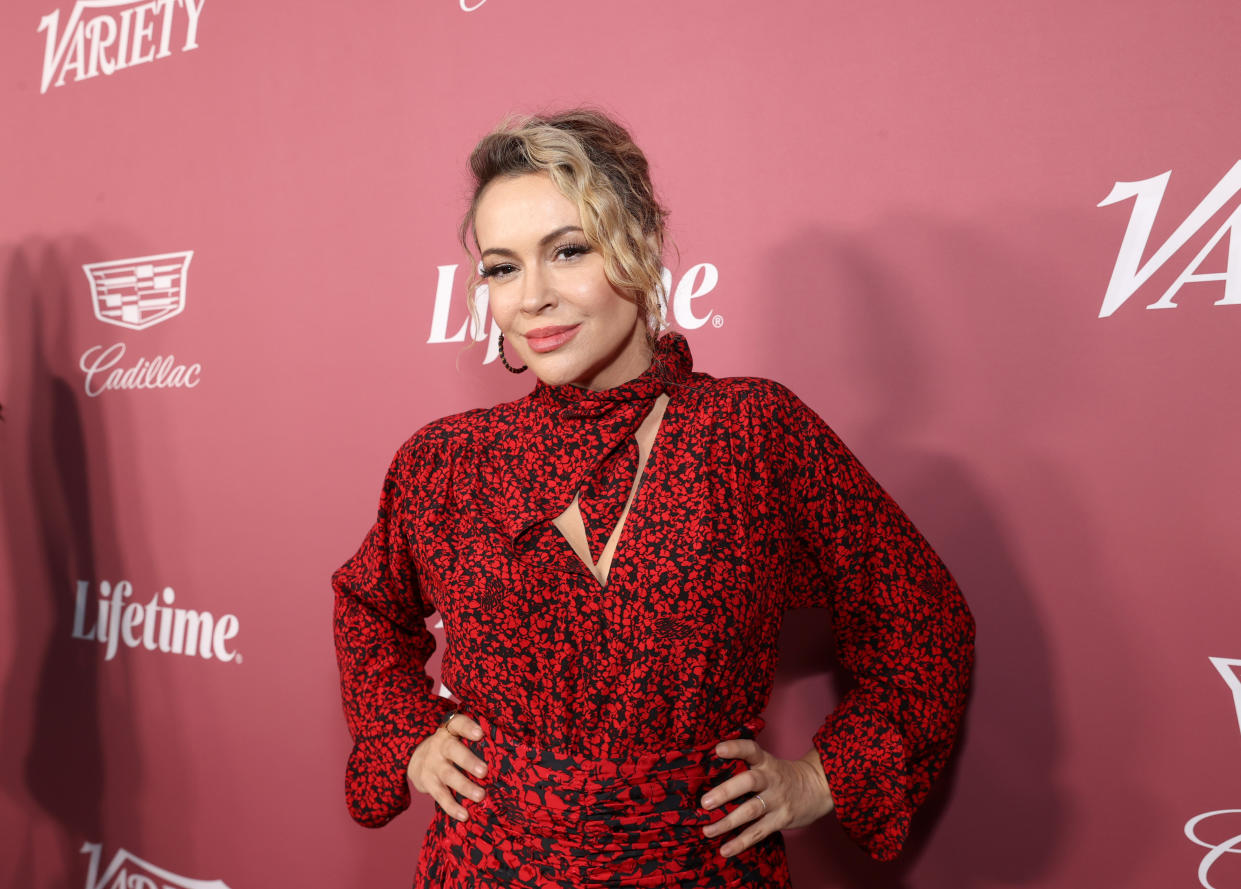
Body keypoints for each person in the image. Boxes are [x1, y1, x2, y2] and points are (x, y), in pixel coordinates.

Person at [333, 109, 975, 888]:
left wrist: (822, 776)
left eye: (567, 251)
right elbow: (366, 606)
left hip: (701, 868)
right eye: (502, 268)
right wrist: (409, 736)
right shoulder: (447, 460)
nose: (532, 296)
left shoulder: (751, 432)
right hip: (488, 867)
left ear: (637, 248)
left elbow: (924, 622)